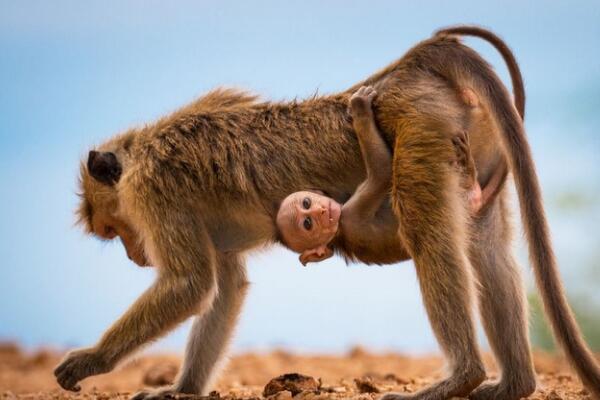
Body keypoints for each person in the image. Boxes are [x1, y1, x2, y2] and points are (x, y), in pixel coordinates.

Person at [275, 86, 482, 265]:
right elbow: (381, 176)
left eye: (307, 203)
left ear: (314, 191)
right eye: (308, 224)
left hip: (451, 223)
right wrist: (362, 119)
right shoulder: (351, 222)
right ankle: (466, 178)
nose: (318, 211)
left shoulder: (356, 240)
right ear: (317, 252)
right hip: (457, 211)